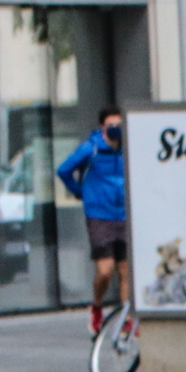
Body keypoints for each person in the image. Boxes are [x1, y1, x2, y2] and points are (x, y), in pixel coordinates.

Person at [55, 106, 128, 334]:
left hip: (124, 214)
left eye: (119, 125)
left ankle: (126, 318)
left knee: (126, 271)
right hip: (99, 215)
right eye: (111, 126)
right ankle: (96, 306)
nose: (115, 129)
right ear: (102, 127)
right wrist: (80, 192)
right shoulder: (92, 148)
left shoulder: (128, 148)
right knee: (105, 270)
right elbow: (64, 170)